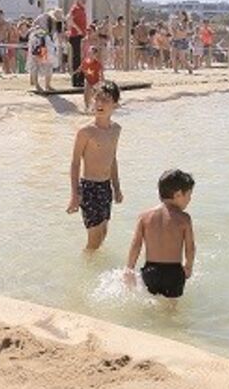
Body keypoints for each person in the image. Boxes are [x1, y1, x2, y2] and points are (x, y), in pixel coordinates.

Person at [66, 81, 123, 250]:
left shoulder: (116, 130)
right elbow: (75, 163)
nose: (100, 104)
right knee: (94, 239)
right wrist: (75, 194)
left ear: (115, 104)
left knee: (103, 233)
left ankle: (93, 264)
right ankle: (86, 262)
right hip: (89, 187)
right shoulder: (86, 132)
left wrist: (116, 188)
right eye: (97, 99)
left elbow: (112, 159)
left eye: (105, 100)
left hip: (106, 187)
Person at [125, 169, 196, 300]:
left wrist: (129, 268)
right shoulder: (184, 219)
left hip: (150, 271)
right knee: (172, 306)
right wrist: (188, 267)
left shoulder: (144, 216)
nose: (190, 200)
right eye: (189, 195)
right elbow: (190, 247)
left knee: (151, 302)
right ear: (178, 194)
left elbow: (136, 245)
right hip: (174, 272)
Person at [67, 0, 88, 87]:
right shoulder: (75, 8)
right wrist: (78, 29)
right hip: (76, 36)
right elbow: (69, 19)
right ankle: (76, 80)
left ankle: (81, 80)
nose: (84, 0)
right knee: (77, 58)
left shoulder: (82, 9)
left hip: (81, 36)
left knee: (82, 58)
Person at [80, 45, 104, 112]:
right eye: (89, 53)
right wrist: (84, 72)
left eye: (91, 53)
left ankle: (94, 106)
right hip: (88, 80)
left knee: (95, 95)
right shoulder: (85, 61)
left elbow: (101, 74)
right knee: (86, 92)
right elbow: (82, 68)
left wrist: (102, 83)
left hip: (96, 81)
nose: (90, 54)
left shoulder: (97, 64)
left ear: (95, 55)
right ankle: (87, 106)